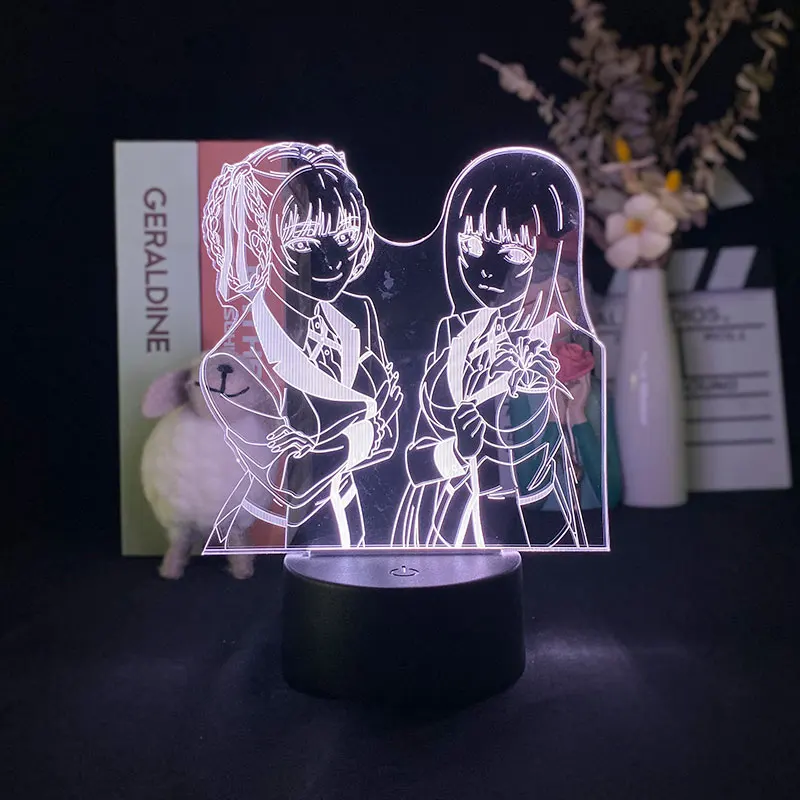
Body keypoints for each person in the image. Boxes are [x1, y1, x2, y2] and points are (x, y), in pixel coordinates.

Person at [392, 148, 600, 548]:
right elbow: (411, 460)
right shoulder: (448, 337)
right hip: (439, 525)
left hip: (522, 527)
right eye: (473, 246)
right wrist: (458, 450)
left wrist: (563, 413)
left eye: (512, 252)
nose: (488, 266)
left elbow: (537, 474)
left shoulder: (537, 357)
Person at [199, 143, 402, 549]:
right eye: (305, 242)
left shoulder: (356, 316)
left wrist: (328, 444)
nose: (334, 258)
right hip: (266, 542)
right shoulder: (229, 362)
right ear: (258, 241)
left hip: (353, 528)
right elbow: (290, 481)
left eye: (345, 236)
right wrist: (359, 434)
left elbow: (390, 434)